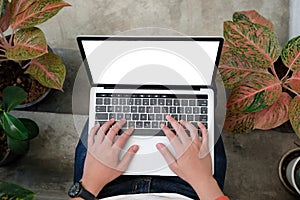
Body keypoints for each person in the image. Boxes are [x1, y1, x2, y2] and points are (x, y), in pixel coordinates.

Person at [69, 115, 229, 200]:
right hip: (192, 190)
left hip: (100, 191)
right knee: (197, 95)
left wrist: (89, 185)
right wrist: (203, 181)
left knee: (111, 94)